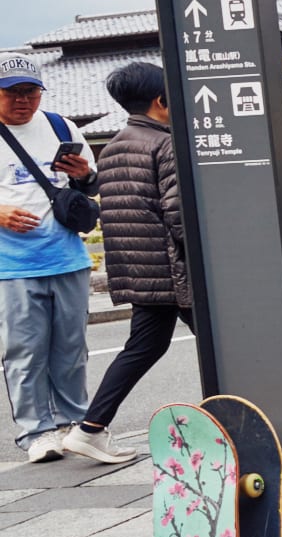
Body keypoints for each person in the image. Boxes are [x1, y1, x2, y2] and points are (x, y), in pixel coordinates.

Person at [64, 63, 190, 463]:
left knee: (143, 347)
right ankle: (242, 419)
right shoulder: (165, 144)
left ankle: (90, 428)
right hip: (175, 270)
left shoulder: (115, 145)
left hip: (138, 269)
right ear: (162, 100)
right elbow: (179, 215)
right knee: (228, 342)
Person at [0, 53, 98, 462]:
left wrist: (82, 174)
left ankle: (75, 423)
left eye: (31, 92)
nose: (23, 101)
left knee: (71, 348)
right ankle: (36, 432)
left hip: (67, 256)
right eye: (12, 93)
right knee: (24, 351)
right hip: (11, 265)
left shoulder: (61, 126)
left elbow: (90, 184)